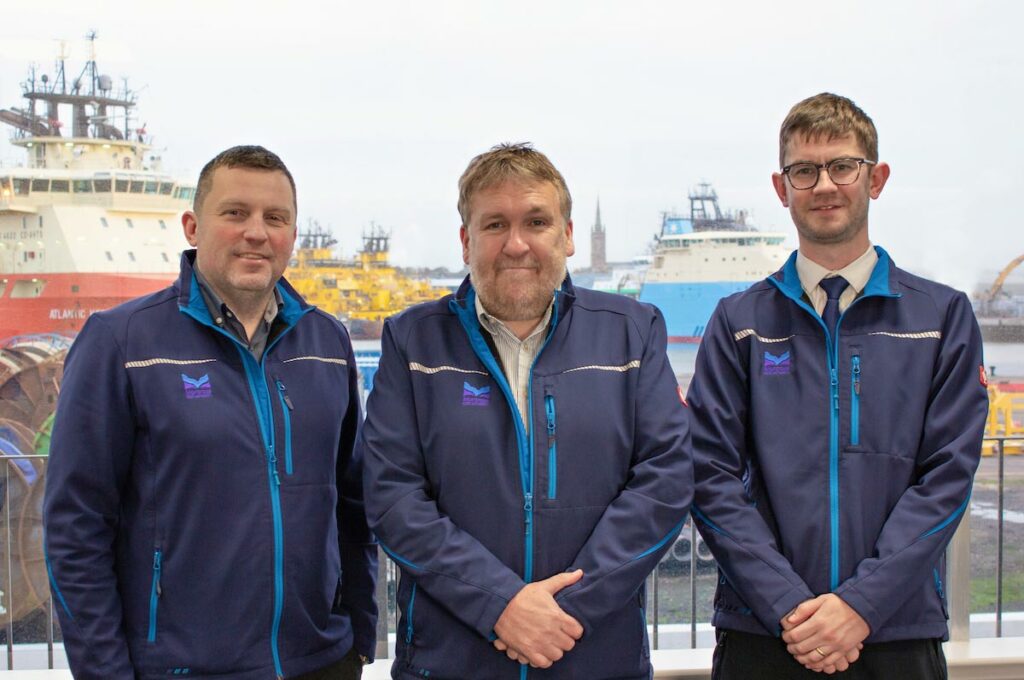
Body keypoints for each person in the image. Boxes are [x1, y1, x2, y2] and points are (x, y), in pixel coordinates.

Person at [44, 145, 377, 679]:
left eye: (276, 218)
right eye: (235, 213)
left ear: (293, 233)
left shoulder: (327, 341)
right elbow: (74, 526)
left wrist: (358, 638)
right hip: (179, 666)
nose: (256, 232)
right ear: (193, 227)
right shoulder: (122, 341)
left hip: (320, 662)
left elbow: (353, 504)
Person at [360, 142, 692, 678]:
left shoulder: (631, 332)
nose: (516, 244)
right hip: (452, 662)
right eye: (495, 225)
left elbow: (665, 480)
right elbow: (392, 496)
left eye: (536, 221)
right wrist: (499, 605)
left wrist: (560, 613)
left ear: (567, 235)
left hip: (593, 657)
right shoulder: (413, 341)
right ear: (467, 241)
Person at [687, 93, 989, 679]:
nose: (824, 184)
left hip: (896, 632)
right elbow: (708, 475)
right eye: (805, 170)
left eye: (842, 166)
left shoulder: (942, 317)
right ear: (782, 188)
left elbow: (947, 476)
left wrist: (860, 605)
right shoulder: (738, 322)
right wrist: (791, 608)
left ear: (875, 178)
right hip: (764, 634)